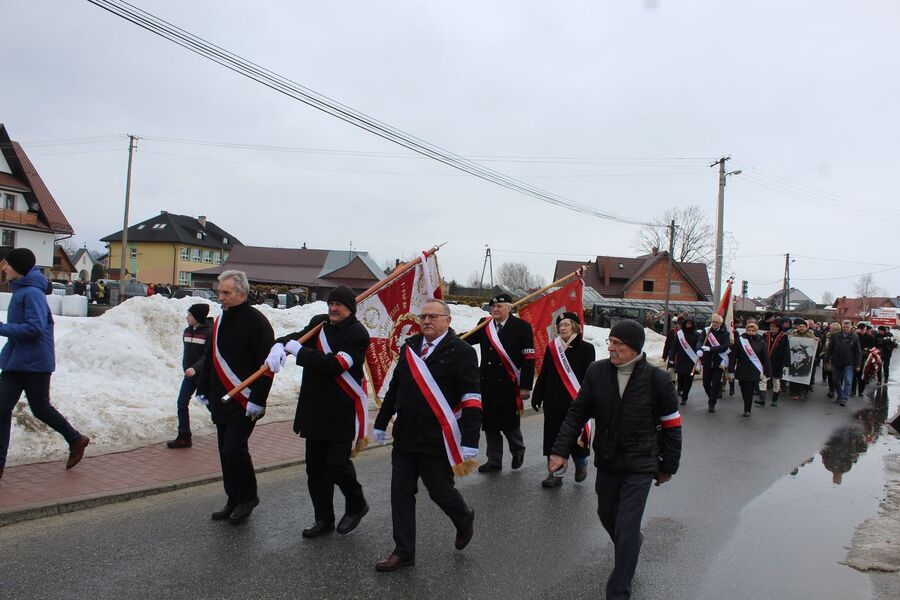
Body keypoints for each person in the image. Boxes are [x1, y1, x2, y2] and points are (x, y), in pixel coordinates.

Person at [549, 319, 682, 600]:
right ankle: (631, 545)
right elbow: (577, 413)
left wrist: (668, 466)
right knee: (606, 515)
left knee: (627, 526)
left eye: (617, 343)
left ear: (634, 348)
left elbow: (672, 426)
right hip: (608, 460)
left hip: (641, 464)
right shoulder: (597, 372)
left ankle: (619, 590)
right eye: (610, 341)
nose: (610, 347)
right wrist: (560, 451)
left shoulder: (657, 380)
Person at [372, 298, 482, 572]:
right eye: (424, 316)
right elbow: (396, 387)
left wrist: (469, 440)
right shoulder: (410, 347)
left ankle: (463, 517)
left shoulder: (463, 352)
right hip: (406, 436)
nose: (427, 321)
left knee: (440, 491)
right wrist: (381, 421)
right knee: (400, 494)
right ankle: (404, 551)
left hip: (438, 439)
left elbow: (471, 398)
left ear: (448, 321)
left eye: (434, 316)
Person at [266, 285, 370, 538]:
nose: (333, 309)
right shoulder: (319, 323)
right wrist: (278, 346)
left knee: (337, 465)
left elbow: (336, 365)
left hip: (341, 410)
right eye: (331, 303)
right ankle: (323, 519)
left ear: (350, 308)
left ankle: (357, 504)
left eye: (339, 305)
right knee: (315, 470)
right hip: (314, 408)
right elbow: (298, 337)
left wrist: (300, 352)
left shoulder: (358, 334)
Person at [0, 248, 90, 480]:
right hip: (16, 362)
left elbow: (36, 327)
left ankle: (76, 439)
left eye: (7, 264)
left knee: (40, 408)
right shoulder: (22, 290)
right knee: (1, 408)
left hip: (34, 363)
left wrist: (2, 328)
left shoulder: (32, 294)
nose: (3, 267)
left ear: (18, 267)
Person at [195, 270, 274, 523]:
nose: (221, 297)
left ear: (242, 293)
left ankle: (248, 497)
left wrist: (258, 400)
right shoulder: (219, 321)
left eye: (226, 293)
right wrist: (203, 389)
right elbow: (210, 358)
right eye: (220, 292)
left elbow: (267, 366)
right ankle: (233, 497)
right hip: (221, 398)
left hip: (245, 401)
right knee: (224, 451)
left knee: (234, 449)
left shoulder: (257, 322)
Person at [464, 293, 535, 472]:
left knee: (509, 422)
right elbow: (467, 339)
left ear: (509, 308)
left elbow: (529, 358)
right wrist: (447, 337)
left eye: (499, 307)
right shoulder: (485, 324)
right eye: (493, 307)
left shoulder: (522, 327)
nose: (495, 310)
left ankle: (517, 450)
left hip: (510, 383)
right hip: (487, 382)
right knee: (490, 423)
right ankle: (494, 460)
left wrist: (525, 386)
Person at [531, 312, 596, 488]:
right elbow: (544, 373)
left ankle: (581, 464)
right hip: (552, 401)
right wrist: (537, 395)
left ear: (575, 326)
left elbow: (589, 378)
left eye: (566, 324)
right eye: (560, 325)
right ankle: (555, 475)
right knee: (553, 438)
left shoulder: (586, 348)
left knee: (575, 438)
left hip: (576, 403)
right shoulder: (552, 348)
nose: (562, 327)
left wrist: (590, 401)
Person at [167, 303, 212, 449]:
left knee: (211, 405)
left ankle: (225, 429)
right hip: (189, 375)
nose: (187, 317)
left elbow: (207, 356)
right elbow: (187, 354)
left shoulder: (209, 333)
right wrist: (187, 368)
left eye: (190, 315)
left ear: (198, 317)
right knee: (181, 403)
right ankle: (184, 436)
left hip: (203, 375)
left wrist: (195, 368)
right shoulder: (187, 331)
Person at [734, 320, 771, 415]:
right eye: (749, 330)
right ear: (746, 330)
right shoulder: (740, 341)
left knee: (749, 390)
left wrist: (768, 372)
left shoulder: (761, 342)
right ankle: (746, 402)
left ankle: (747, 410)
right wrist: (730, 369)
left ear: (756, 331)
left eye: (753, 330)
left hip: (754, 370)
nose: (750, 332)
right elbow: (734, 355)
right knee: (743, 388)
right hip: (742, 368)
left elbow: (765, 358)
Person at [824, 320, 861, 407]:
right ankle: (840, 395)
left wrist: (858, 364)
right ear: (842, 326)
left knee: (848, 381)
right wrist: (826, 359)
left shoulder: (855, 337)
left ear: (851, 327)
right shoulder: (836, 336)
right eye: (844, 327)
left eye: (847, 327)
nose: (846, 328)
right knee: (835, 380)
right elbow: (830, 348)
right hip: (836, 362)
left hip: (849, 362)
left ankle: (844, 398)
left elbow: (857, 352)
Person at [699, 314, 730, 412]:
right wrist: (698, 349)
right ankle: (712, 397)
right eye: (713, 322)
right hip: (707, 361)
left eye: (717, 322)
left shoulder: (725, 333)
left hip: (718, 362)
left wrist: (711, 349)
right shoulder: (706, 331)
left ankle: (711, 403)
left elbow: (724, 347)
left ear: (720, 323)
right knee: (705, 383)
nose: (714, 324)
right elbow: (700, 341)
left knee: (715, 383)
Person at [667, 314, 700, 405]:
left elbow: (699, 345)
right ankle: (680, 389)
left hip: (691, 362)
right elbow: (674, 347)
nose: (688, 324)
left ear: (693, 324)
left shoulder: (697, 335)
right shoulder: (679, 334)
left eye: (690, 323)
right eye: (687, 323)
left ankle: (685, 396)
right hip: (681, 360)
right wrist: (671, 357)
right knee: (680, 379)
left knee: (688, 380)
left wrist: (699, 351)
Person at [787, 319, 818, 400]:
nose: (801, 328)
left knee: (805, 377)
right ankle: (796, 392)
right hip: (795, 360)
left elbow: (815, 346)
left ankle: (805, 391)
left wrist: (817, 340)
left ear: (806, 327)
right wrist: (789, 337)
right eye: (800, 326)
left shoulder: (810, 335)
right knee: (795, 377)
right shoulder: (794, 334)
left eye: (803, 326)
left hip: (805, 361)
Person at [760, 318, 788, 405]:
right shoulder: (765, 335)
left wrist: (785, 362)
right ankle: (762, 399)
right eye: (771, 326)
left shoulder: (783, 337)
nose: (771, 328)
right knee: (763, 379)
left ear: (778, 328)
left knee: (776, 381)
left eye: (774, 326)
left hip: (777, 362)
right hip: (766, 361)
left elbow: (786, 350)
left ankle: (775, 399)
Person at [852, 324, 876, 396]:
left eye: (864, 329)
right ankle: (853, 391)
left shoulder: (870, 337)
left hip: (865, 359)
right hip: (855, 358)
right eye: (861, 329)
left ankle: (860, 391)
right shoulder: (854, 336)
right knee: (854, 376)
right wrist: (855, 333)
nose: (863, 331)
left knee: (863, 376)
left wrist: (868, 350)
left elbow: (873, 348)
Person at [822, 322, 841, 398]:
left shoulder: (840, 336)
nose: (829, 329)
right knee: (830, 375)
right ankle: (831, 390)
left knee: (836, 376)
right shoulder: (827, 335)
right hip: (828, 357)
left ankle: (837, 391)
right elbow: (823, 343)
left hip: (837, 358)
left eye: (831, 328)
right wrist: (823, 352)